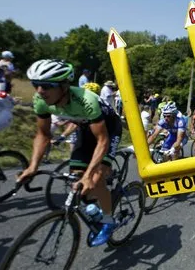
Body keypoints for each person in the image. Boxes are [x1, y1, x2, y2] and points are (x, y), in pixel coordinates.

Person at [17, 59, 122, 247]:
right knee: (77, 179)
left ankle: (108, 221)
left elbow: (103, 140)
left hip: (109, 129)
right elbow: (43, 134)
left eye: (47, 86)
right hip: (84, 127)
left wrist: (91, 175)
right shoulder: (40, 101)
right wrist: (33, 166)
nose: (40, 91)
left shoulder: (86, 100)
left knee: (96, 179)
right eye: (36, 85)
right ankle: (98, 203)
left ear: (65, 86)